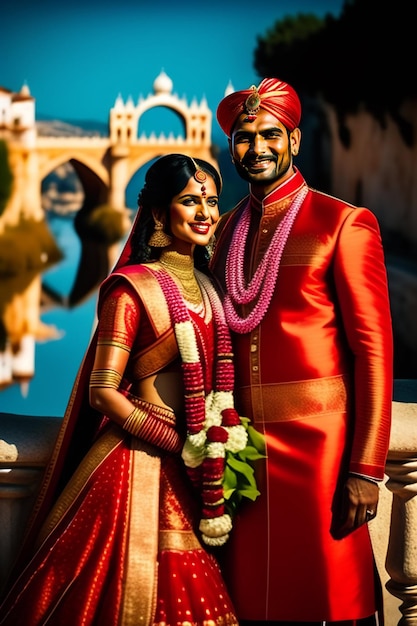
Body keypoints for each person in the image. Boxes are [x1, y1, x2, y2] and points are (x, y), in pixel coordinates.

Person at [0, 153, 247, 626]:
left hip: (198, 466)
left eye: (212, 201)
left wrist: (212, 444)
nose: (205, 213)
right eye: (190, 201)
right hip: (137, 462)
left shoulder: (211, 288)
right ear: (158, 213)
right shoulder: (130, 288)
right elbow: (102, 392)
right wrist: (179, 441)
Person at [209, 78, 393, 626]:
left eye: (270, 135)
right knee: (248, 604)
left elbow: (374, 353)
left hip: (323, 454)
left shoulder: (343, 224)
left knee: (334, 601)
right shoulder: (220, 234)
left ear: (293, 140)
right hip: (241, 457)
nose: (256, 148)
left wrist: (366, 467)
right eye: (244, 138)